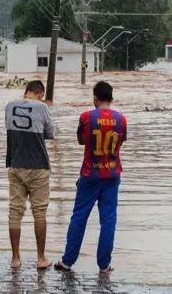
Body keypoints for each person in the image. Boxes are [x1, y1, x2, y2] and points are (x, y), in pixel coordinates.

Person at [54, 81, 127, 274]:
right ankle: (104, 265)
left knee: (79, 217)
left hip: (89, 174)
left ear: (95, 98)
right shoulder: (121, 119)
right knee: (109, 220)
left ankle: (68, 261)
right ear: (111, 98)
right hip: (112, 174)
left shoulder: (86, 117)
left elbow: (81, 140)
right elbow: (121, 141)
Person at [4, 80, 55, 269]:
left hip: (16, 164)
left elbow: (9, 131)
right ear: (40, 94)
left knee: (15, 212)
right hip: (38, 166)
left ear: (26, 92)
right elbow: (50, 133)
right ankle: (41, 258)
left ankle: (15, 259)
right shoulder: (42, 107)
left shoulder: (9, 106)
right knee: (39, 211)